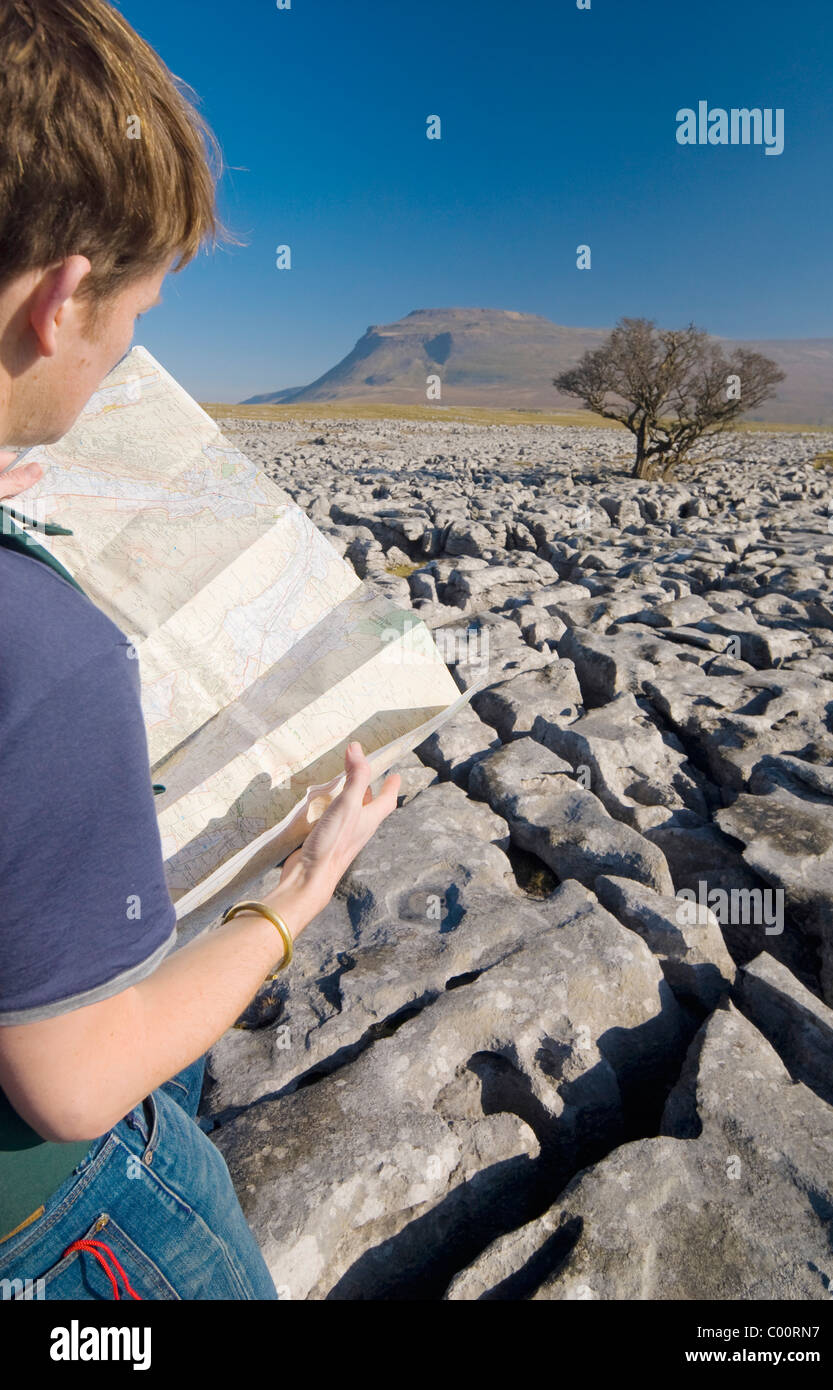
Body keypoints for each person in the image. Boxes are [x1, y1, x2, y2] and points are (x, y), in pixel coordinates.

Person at [0, 0, 401, 1300]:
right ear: (64, 299)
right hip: (59, 1235)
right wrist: (295, 895)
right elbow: (72, 1079)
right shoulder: (45, 647)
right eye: (137, 310)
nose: (128, 350)